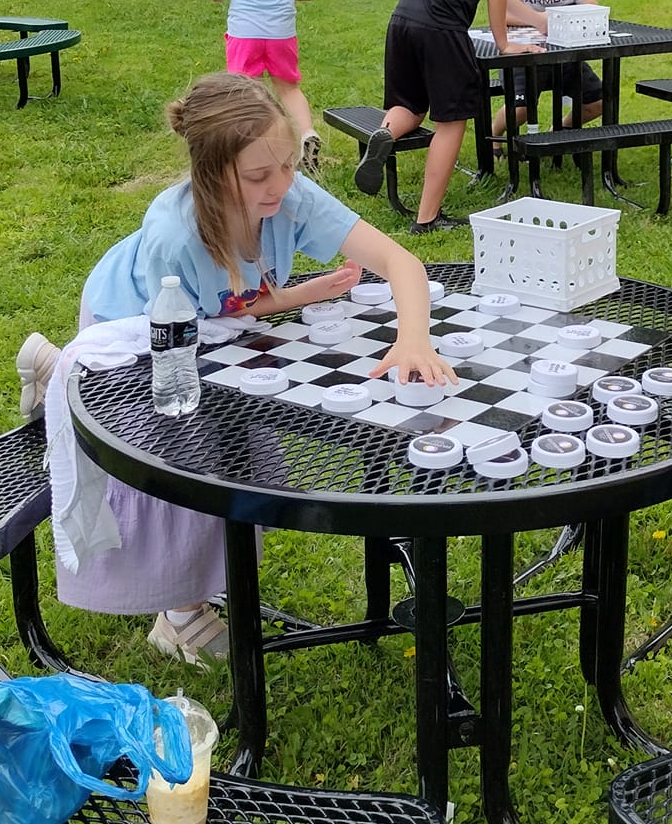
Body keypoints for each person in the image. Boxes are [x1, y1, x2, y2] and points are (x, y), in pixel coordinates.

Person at [26, 72, 455, 663]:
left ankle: (50, 367)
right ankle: (178, 613)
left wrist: (412, 340)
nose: (281, 185)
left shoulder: (288, 194)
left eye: (287, 165)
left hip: (204, 320)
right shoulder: (175, 238)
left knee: (234, 441)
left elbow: (401, 263)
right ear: (211, 175)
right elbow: (188, 333)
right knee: (183, 456)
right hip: (130, 327)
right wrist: (282, 300)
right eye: (259, 176)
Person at [354, 0, 546, 231]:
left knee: (410, 106)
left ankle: (386, 134)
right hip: (440, 28)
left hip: (404, 20)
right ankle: (427, 218)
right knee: (452, 120)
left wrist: (538, 19)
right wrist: (504, 44)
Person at [208, 0, 320, 171]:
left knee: (248, 93)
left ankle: (255, 146)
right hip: (281, 33)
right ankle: (307, 132)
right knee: (289, 89)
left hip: (244, 33)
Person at [492, 0, 604, 137]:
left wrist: (554, 19)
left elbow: (591, 6)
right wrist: (538, 20)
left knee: (597, 102)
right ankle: (495, 134)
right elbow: (502, 15)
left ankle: (558, 131)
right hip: (524, 55)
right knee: (521, 111)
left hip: (565, 52)